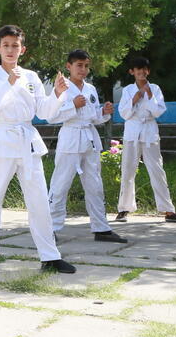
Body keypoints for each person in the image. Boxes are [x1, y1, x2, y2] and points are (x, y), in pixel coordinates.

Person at [0, 25, 73, 274]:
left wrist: (57, 94)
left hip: (28, 141)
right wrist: (9, 84)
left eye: (15, 46)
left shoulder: (31, 77)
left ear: (22, 49)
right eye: (5, 45)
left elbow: (44, 112)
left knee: (39, 201)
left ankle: (50, 256)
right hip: (3, 140)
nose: (10, 50)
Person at [46, 50, 127, 243]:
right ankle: (49, 229)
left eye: (86, 66)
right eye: (79, 65)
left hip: (89, 140)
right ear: (69, 66)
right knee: (60, 185)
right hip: (70, 139)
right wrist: (72, 105)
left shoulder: (90, 89)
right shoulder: (61, 88)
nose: (83, 69)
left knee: (95, 185)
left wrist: (104, 112)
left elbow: (93, 116)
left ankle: (101, 228)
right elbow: (51, 116)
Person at [114, 57, 176, 225]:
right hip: (132, 132)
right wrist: (135, 98)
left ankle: (168, 210)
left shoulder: (154, 88)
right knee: (128, 170)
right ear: (132, 72)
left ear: (148, 71)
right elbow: (124, 113)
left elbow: (158, 112)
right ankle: (123, 209)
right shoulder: (128, 90)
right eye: (138, 69)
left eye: (144, 69)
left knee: (157, 170)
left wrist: (148, 95)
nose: (141, 72)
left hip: (149, 132)